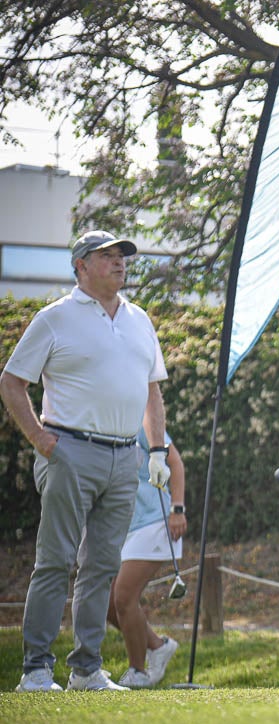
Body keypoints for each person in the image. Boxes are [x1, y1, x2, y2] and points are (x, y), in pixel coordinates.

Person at [2, 230, 169, 693]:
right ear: (81, 266)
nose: (119, 263)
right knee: (54, 561)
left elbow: (152, 391)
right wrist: (40, 439)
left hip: (124, 458)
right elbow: (12, 382)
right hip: (69, 452)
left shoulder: (139, 320)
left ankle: (86, 670)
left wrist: (156, 452)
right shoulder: (54, 318)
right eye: (108, 256)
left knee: (101, 567)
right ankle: (36, 670)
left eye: (122, 257)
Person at [106, 428, 186, 688]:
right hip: (125, 525)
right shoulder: (102, 420)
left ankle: (138, 671)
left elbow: (175, 462)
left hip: (155, 521)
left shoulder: (143, 422)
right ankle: (156, 645)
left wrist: (178, 509)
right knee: (107, 602)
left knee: (123, 596)